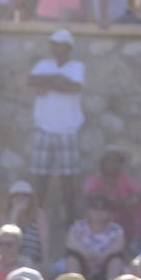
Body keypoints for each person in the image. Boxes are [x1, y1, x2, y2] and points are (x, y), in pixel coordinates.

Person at [28, 29, 86, 228]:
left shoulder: (76, 66)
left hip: (67, 129)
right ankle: (36, 219)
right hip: (43, 127)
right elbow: (31, 80)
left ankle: (70, 220)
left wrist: (49, 81)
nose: (56, 48)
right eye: (54, 44)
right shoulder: (44, 64)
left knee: (67, 179)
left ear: (69, 47)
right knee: (40, 177)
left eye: (60, 44)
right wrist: (57, 81)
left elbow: (74, 87)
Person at [82, 149, 141, 242]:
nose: (114, 165)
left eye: (116, 161)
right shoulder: (94, 180)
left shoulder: (124, 178)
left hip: (123, 216)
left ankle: (136, 242)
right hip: (102, 217)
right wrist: (111, 200)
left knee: (138, 209)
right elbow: (92, 197)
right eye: (110, 161)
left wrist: (131, 200)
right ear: (102, 163)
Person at [64, 195, 127, 280]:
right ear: (88, 210)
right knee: (71, 256)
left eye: (103, 208)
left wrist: (103, 256)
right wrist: (86, 253)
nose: (98, 212)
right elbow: (70, 243)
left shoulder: (116, 229)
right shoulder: (78, 227)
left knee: (116, 259)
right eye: (94, 208)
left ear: (109, 212)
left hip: (105, 267)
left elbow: (119, 246)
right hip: (83, 265)